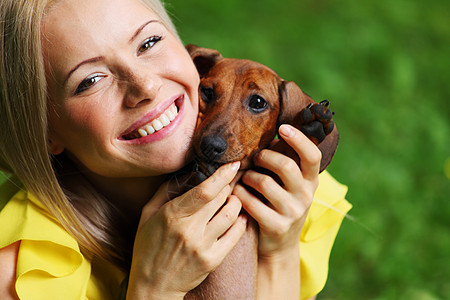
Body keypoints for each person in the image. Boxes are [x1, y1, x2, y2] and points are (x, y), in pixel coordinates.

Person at [0, 0, 351, 299]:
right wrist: (154, 290)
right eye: (89, 80)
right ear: (43, 131)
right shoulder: (25, 274)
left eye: (149, 42)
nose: (147, 86)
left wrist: (278, 253)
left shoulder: (285, 201)